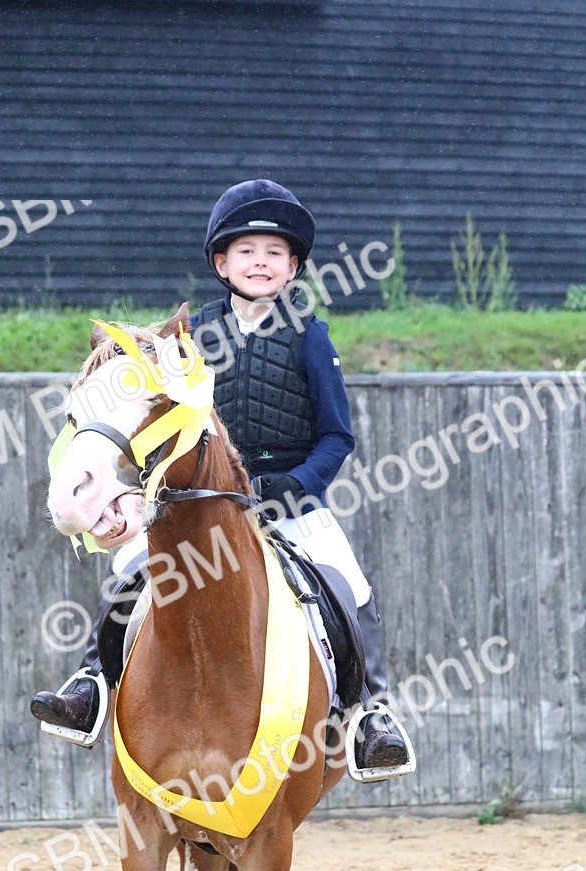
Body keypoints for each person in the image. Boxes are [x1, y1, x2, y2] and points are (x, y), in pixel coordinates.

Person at [31, 178, 412, 781]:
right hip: (197, 500)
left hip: (290, 500)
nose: (260, 262)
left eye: (275, 253)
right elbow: (154, 418)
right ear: (220, 261)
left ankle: (371, 715)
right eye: (247, 251)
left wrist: (292, 486)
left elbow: (337, 436)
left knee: (348, 586)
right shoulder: (189, 338)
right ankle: (90, 687)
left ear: (293, 268)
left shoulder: (311, 335)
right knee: (131, 573)